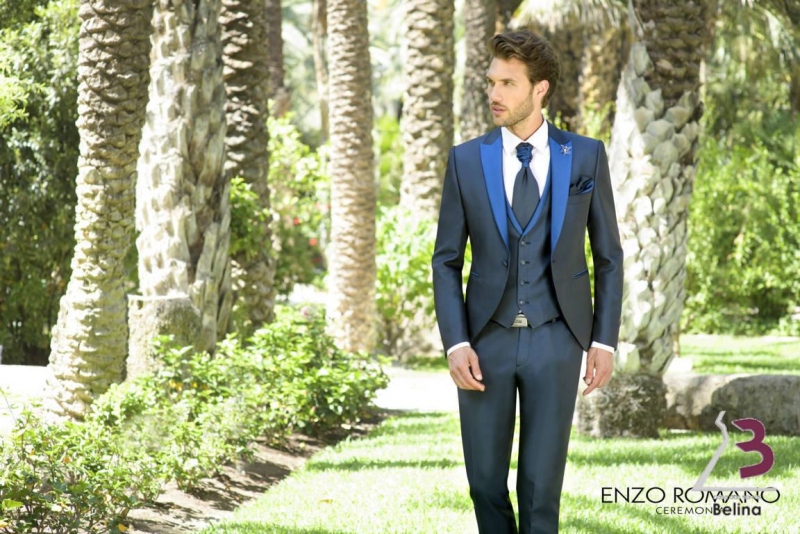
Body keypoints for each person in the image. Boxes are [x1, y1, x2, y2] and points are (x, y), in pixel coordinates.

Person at [431, 30, 624, 534]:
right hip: (484, 343)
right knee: (484, 483)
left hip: (557, 340)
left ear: (540, 89)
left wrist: (603, 340)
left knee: (540, 490)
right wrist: (456, 342)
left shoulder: (585, 156)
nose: (494, 94)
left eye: (508, 84)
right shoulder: (466, 160)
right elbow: (446, 260)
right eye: (491, 82)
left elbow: (608, 256)